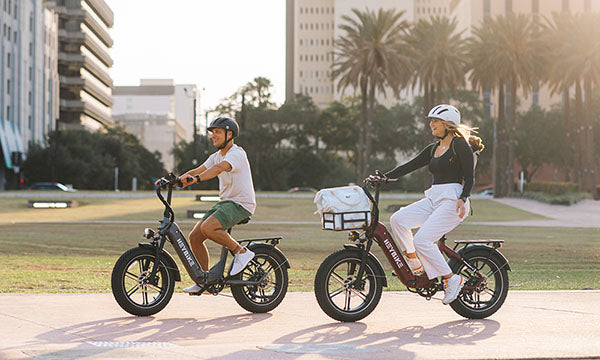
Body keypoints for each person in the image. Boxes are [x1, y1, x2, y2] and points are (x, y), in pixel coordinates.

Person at [379, 104, 484, 305]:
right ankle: (414, 263)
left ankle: (452, 279)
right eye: (431, 121)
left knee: (422, 241)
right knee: (398, 219)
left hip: (453, 202)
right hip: (434, 199)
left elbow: (469, 176)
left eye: (435, 121)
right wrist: (384, 177)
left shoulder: (459, 145)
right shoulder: (434, 148)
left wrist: (463, 197)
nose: (431, 125)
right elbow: (409, 165)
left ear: (448, 124)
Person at [169, 116, 256, 294]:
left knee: (209, 227)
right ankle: (205, 280)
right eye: (212, 133)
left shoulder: (236, 154)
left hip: (241, 203)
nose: (213, 136)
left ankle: (241, 252)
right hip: (225, 203)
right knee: (195, 237)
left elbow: (217, 170)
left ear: (229, 134)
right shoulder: (216, 156)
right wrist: (175, 180)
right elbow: (197, 170)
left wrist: (196, 179)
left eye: (217, 132)